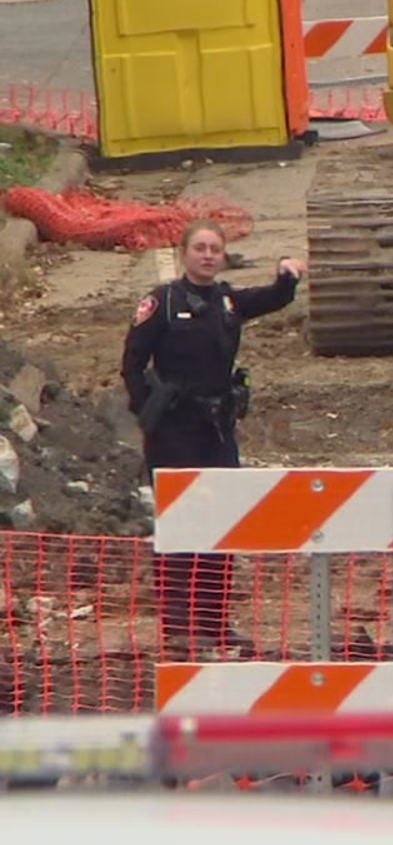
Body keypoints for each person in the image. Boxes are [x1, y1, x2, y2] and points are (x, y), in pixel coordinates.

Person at [120, 218, 306, 660]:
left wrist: (287, 274)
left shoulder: (227, 301)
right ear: (184, 253)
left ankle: (214, 623)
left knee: (223, 524)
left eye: (214, 249)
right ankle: (178, 627)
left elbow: (273, 298)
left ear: (222, 256)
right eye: (199, 248)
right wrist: (150, 411)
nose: (207, 255)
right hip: (173, 430)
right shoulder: (161, 303)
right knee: (181, 524)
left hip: (217, 430)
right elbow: (132, 362)